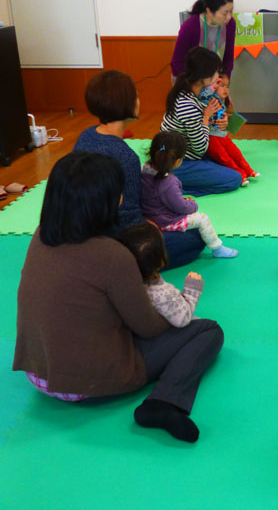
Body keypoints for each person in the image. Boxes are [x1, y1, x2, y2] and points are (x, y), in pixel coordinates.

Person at [13, 152, 224, 443]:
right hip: (85, 384)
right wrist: (176, 308)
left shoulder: (41, 236)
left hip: (38, 372)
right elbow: (148, 327)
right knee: (207, 330)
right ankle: (164, 402)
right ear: (104, 202)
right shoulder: (112, 255)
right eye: (118, 192)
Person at [74, 70, 204, 269]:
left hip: (80, 233)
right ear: (126, 103)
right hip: (111, 242)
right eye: (136, 95)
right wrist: (152, 228)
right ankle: (126, 266)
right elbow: (129, 218)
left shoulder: (86, 135)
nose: (138, 100)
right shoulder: (125, 157)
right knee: (195, 238)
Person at [141, 131, 238, 259]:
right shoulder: (168, 183)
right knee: (202, 219)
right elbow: (181, 207)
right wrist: (192, 204)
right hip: (165, 222)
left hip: (149, 216)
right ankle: (217, 248)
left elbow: (162, 198)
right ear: (178, 161)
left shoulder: (144, 169)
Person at [162, 46, 243, 196]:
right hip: (180, 162)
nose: (218, 76)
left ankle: (178, 180)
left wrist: (220, 120)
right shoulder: (188, 105)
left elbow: (202, 126)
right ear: (204, 76)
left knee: (228, 160)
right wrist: (206, 118)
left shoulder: (190, 90)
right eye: (216, 72)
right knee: (234, 178)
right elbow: (200, 147)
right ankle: (175, 186)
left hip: (186, 154)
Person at [116, 222, 204, 328]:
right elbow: (183, 319)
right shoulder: (163, 294)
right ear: (160, 258)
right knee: (209, 327)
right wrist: (191, 291)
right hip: (163, 332)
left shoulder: (122, 284)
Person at [200, 71, 259, 186]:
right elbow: (204, 93)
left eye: (227, 86)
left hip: (222, 135)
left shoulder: (222, 101)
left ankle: (248, 170)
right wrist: (213, 86)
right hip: (212, 137)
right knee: (224, 158)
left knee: (235, 152)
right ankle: (240, 175)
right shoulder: (209, 97)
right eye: (221, 85)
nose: (225, 89)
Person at [171, 0, 236, 80]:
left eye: (231, 11)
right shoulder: (191, 25)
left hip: (214, 79)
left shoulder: (230, 24)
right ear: (209, 11)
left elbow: (228, 57)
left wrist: (225, 77)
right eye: (225, 13)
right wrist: (193, 84)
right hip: (189, 80)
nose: (229, 17)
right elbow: (177, 62)